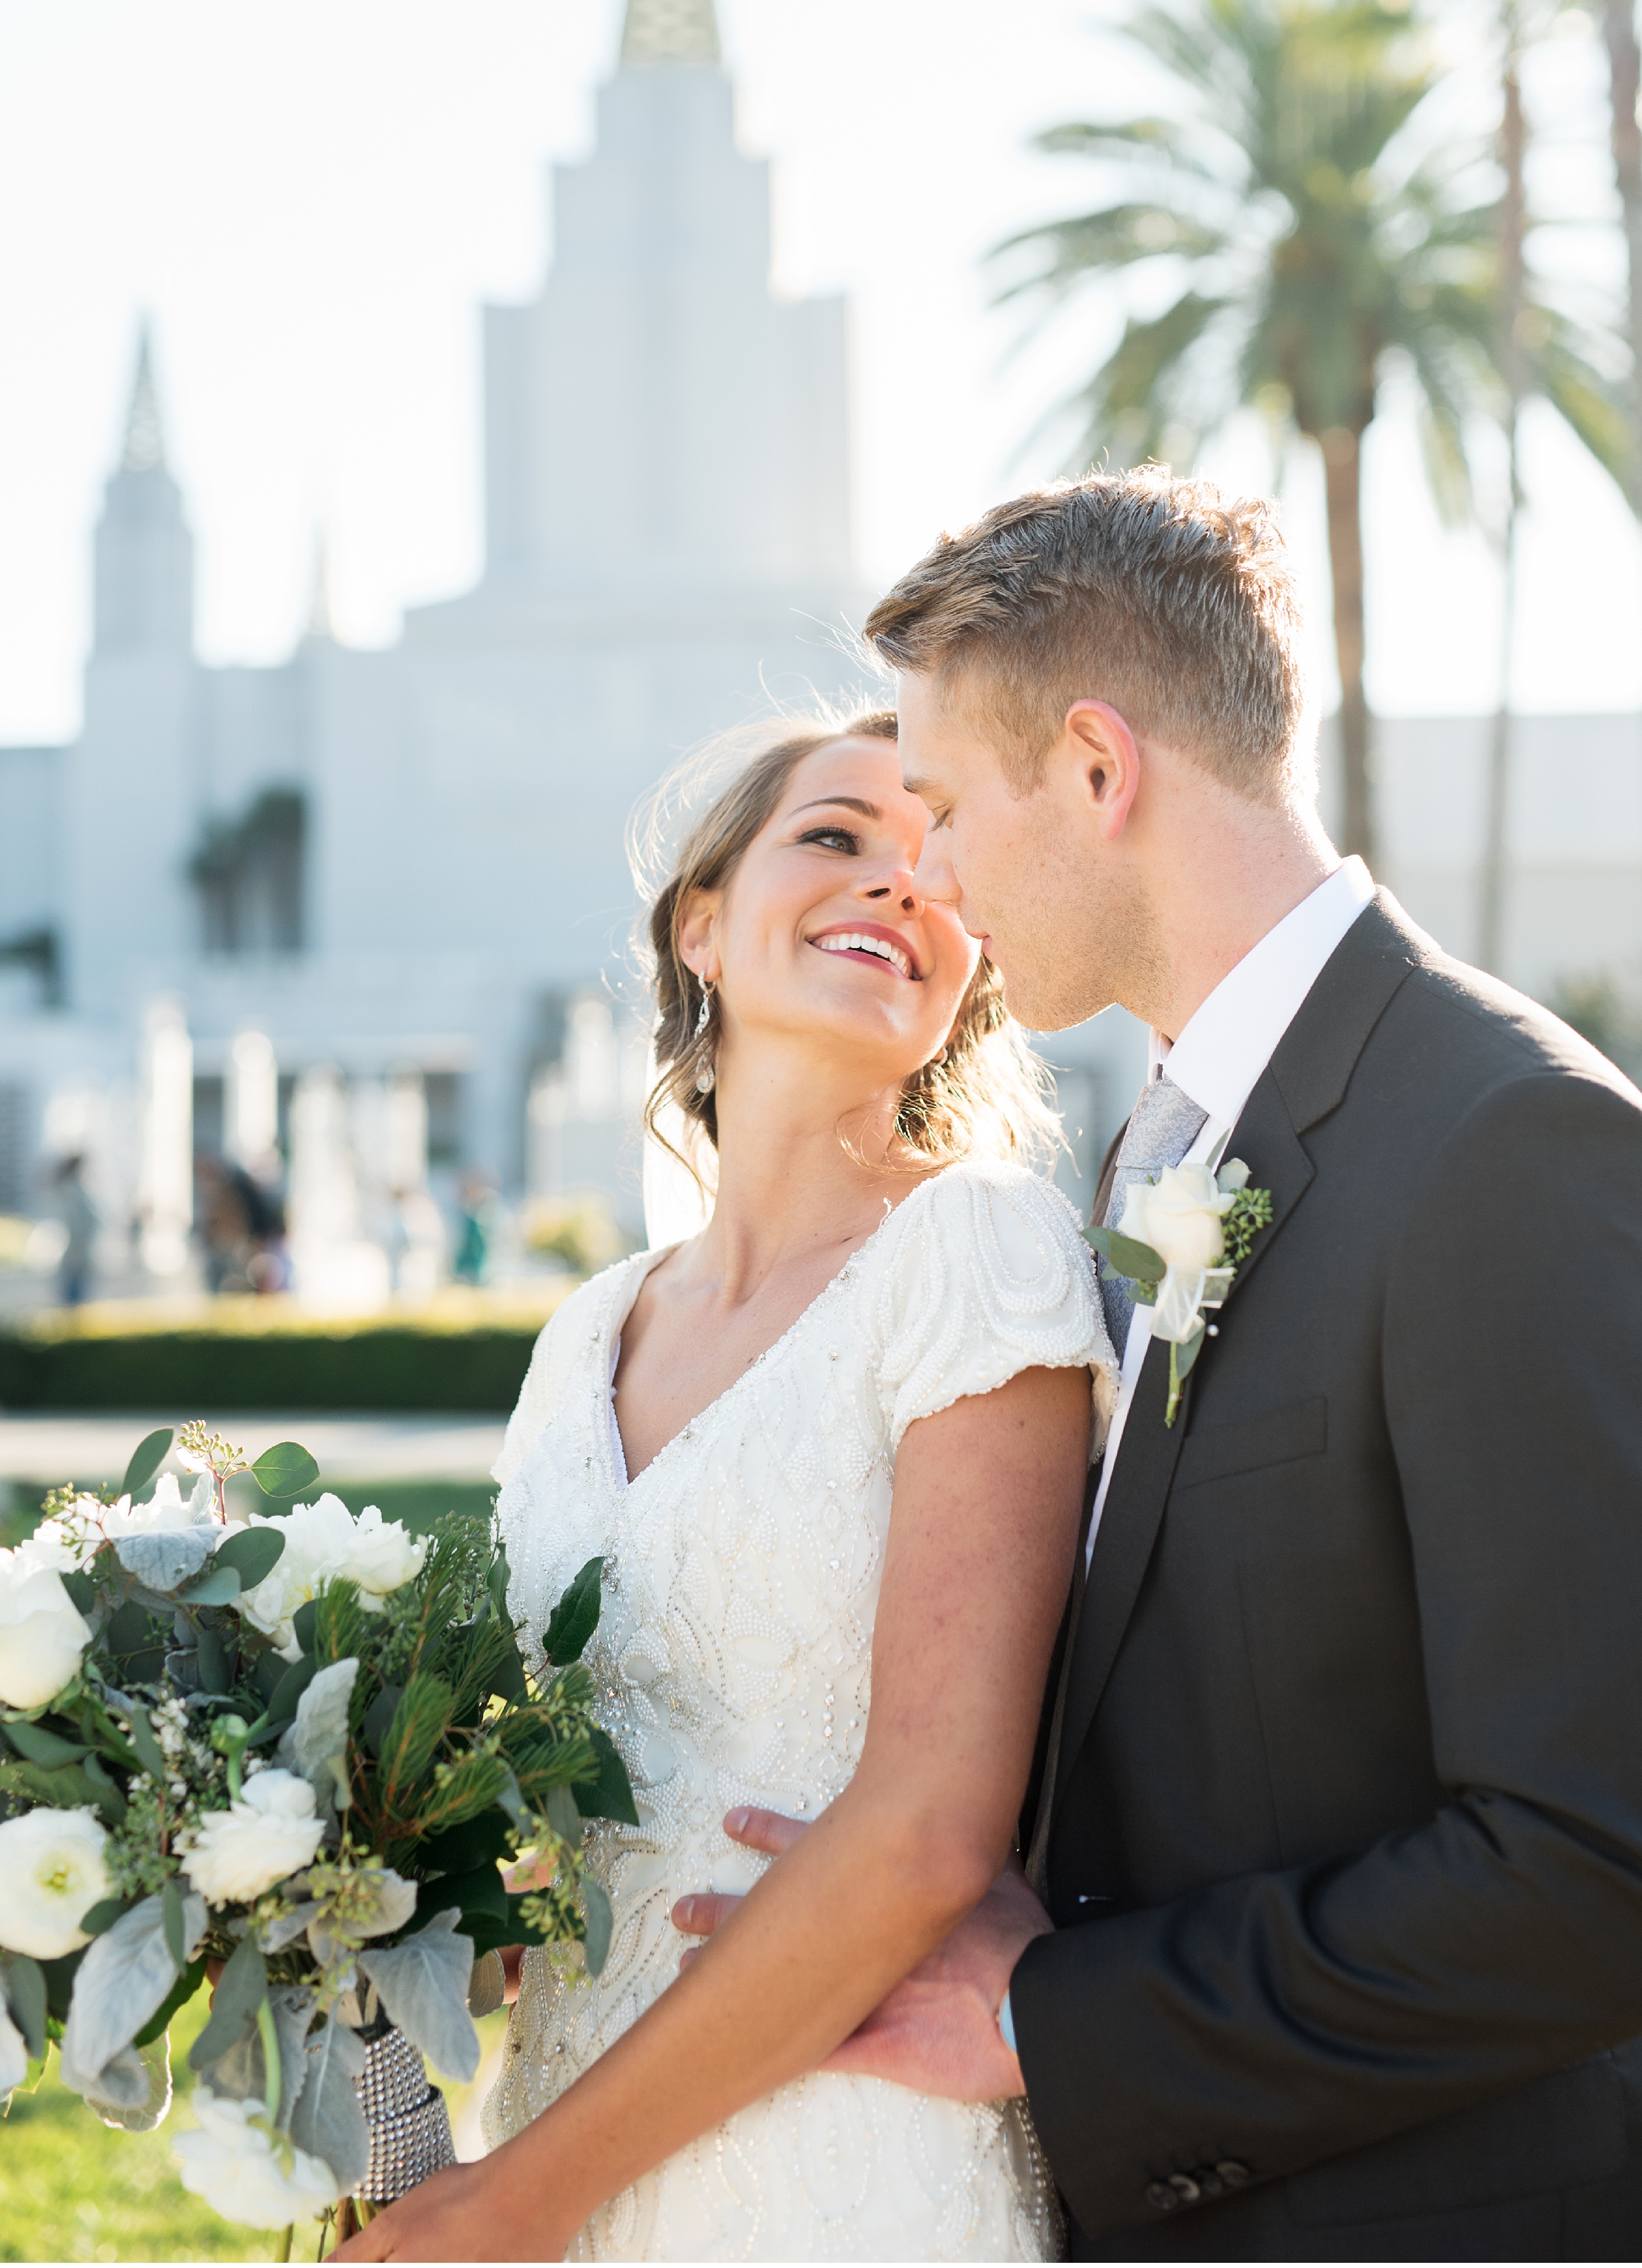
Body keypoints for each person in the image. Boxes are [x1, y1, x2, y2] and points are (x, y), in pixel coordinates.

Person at [678, 470, 1642, 2260]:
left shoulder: (1513, 1150)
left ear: (1101, 771)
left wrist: (1059, 2018)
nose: (938, 875)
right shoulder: (1157, 1156)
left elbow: (1606, 1881)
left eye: (955, 807)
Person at [337, 711, 1112, 2261]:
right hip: (555, 2122)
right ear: (699, 920)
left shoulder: (975, 1250)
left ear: (973, 973)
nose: (895, 887)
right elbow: (546, 1791)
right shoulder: (582, 1334)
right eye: (832, 838)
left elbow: (926, 1831)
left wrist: (510, 2208)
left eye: (934, 866)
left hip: (844, 2146)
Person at [52, 1152, 97, 1309]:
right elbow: (75, 1223)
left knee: (77, 1293)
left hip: (80, 1249)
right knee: (71, 1296)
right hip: (73, 1249)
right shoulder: (69, 1191)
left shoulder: (75, 1189)